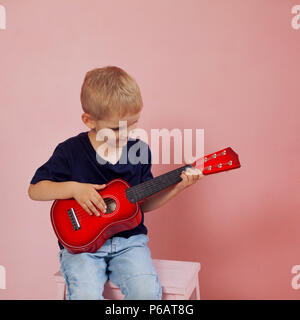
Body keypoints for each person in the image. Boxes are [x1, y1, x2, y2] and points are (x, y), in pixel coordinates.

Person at [28, 66, 203, 300]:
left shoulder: (139, 151)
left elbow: (144, 204)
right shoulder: (70, 151)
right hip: (82, 248)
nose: (125, 133)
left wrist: (179, 186)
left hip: (129, 243)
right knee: (85, 295)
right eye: (115, 128)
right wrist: (74, 189)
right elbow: (35, 190)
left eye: (133, 124)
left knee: (147, 294)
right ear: (89, 120)